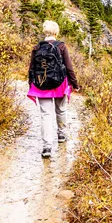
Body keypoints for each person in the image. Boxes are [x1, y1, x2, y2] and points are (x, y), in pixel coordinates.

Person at [27, 20, 80, 158]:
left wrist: (31, 84)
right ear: (56, 32)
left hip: (41, 84)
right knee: (61, 110)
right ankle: (61, 135)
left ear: (45, 31)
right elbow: (69, 67)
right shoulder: (61, 46)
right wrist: (75, 83)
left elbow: (31, 68)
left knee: (46, 115)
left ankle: (47, 147)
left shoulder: (37, 47)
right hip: (60, 84)